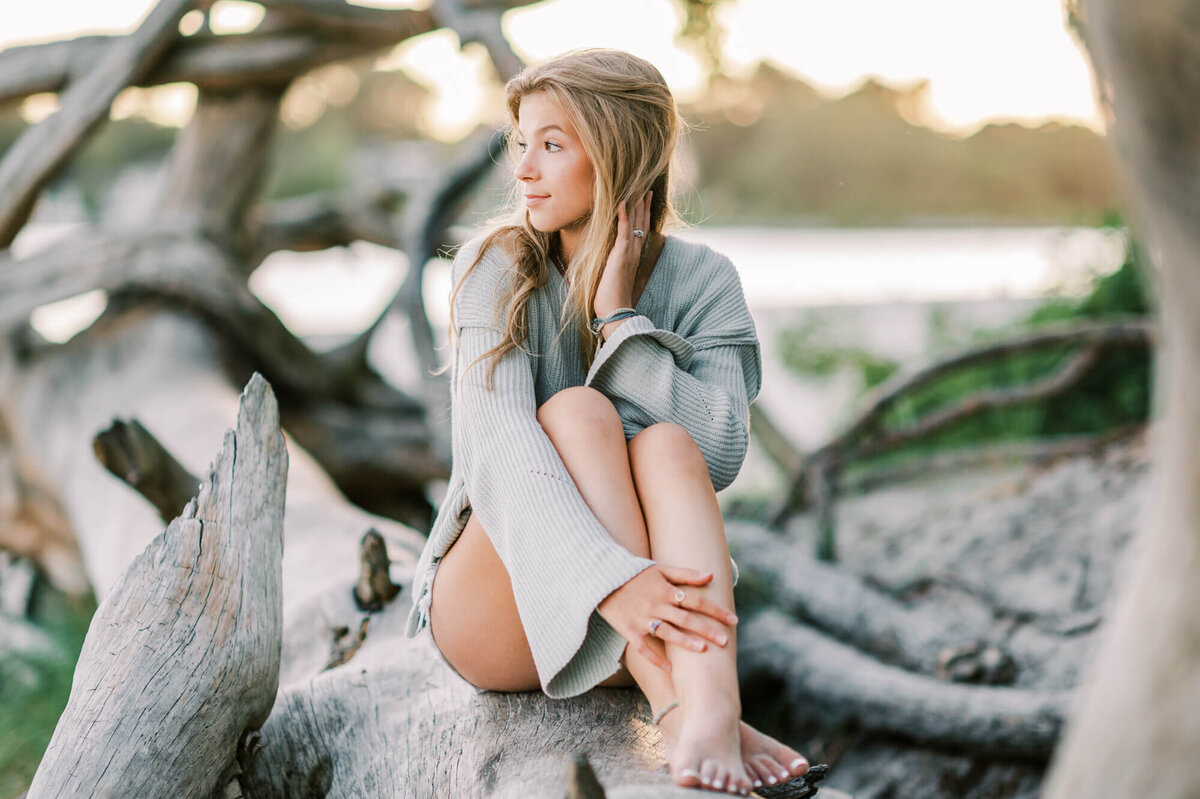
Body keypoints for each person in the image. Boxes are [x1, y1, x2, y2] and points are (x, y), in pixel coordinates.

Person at [404, 49, 809, 795]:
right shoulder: (491, 268)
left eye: (552, 146)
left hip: (635, 617)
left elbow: (719, 453)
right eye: (522, 143)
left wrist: (621, 322)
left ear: (621, 155)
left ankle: (708, 701)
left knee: (667, 444)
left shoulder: (706, 281)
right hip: (497, 616)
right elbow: (498, 449)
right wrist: (608, 579)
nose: (524, 169)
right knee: (577, 414)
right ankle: (684, 700)